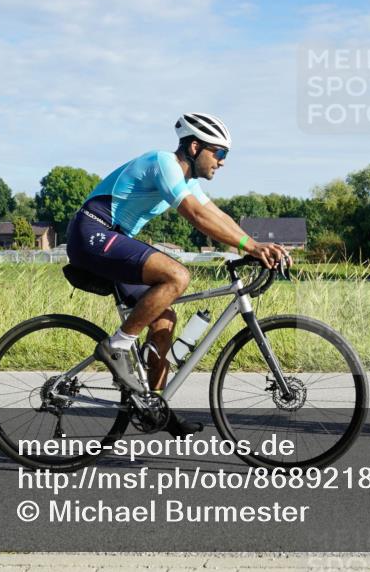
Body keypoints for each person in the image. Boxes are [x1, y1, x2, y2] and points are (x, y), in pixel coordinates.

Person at [66, 113, 290, 435]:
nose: (223, 162)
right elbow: (197, 216)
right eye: (220, 153)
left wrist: (255, 245)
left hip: (116, 238)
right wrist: (250, 248)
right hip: (93, 232)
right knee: (177, 276)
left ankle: (154, 407)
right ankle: (116, 346)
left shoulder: (187, 181)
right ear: (195, 147)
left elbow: (215, 213)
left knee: (164, 321)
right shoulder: (163, 163)